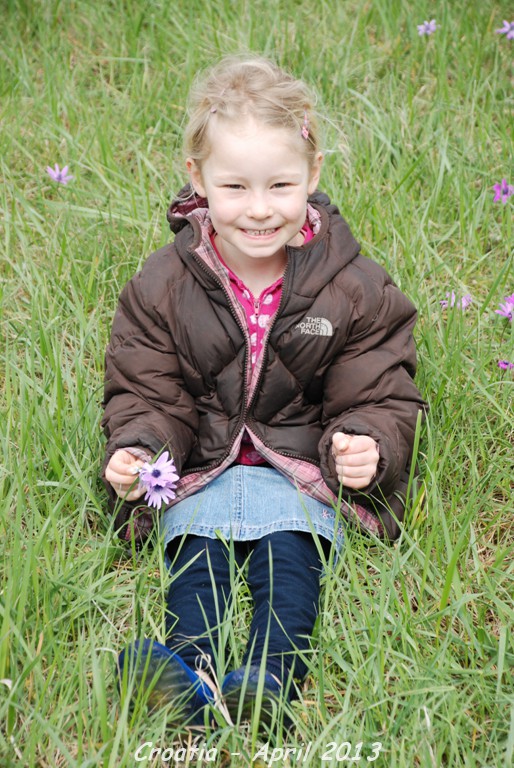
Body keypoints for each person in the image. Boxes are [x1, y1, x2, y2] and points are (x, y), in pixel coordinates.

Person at [101, 54, 425, 726]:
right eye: (235, 187)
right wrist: (140, 447)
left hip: (300, 472)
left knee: (288, 567)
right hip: (201, 470)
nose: (258, 209)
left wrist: (365, 441)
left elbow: (378, 386)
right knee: (197, 566)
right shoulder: (163, 284)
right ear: (198, 179)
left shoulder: (353, 286)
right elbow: (147, 388)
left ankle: (269, 680)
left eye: (280, 185)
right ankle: (187, 673)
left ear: (313, 173)